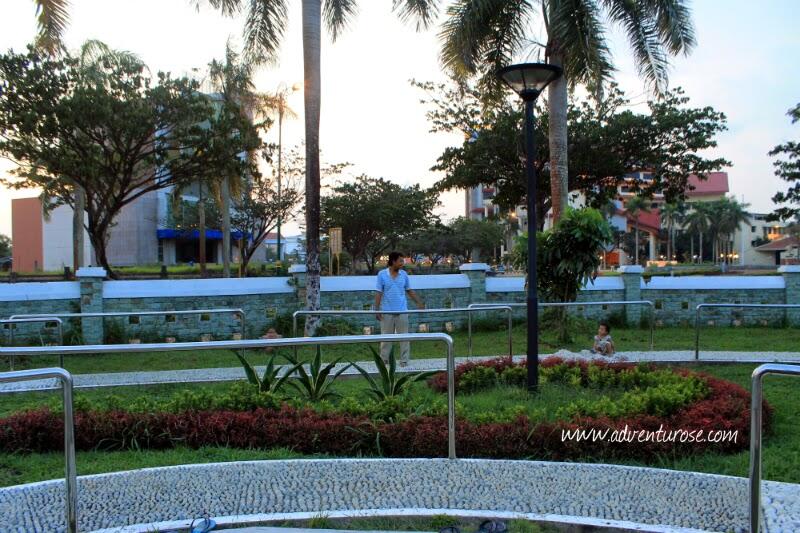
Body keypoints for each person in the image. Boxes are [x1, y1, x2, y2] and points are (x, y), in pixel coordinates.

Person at [375, 251, 425, 366]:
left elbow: (409, 290)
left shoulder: (404, 275)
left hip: (402, 311)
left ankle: (404, 360)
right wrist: (377, 309)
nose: (403, 263)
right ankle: (384, 360)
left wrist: (419, 302)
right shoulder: (382, 274)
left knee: (404, 338)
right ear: (393, 261)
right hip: (387, 312)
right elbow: (378, 292)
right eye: (400, 261)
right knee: (386, 338)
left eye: (403, 261)